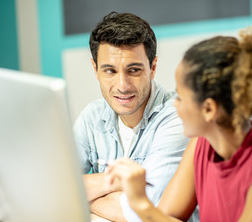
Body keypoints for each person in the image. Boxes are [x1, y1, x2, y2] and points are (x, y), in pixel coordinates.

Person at [106, 26, 252, 221]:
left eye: (180, 97)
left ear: (208, 109)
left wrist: (141, 203)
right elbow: (170, 216)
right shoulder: (203, 142)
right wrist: (140, 203)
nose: (175, 105)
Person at [73, 12, 190, 221]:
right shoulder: (92, 116)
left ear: (152, 68)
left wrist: (85, 196)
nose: (122, 86)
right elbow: (59, 187)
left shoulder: (177, 118)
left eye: (134, 70)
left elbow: (153, 212)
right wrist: (117, 182)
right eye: (110, 71)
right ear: (95, 69)